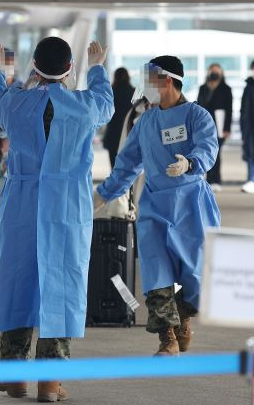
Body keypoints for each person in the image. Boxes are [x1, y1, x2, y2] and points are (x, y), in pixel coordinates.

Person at [0, 38, 113, 402]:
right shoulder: (85, 107)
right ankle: (50, 382)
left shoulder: (16, 103)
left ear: (34, 68)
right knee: (63, 283)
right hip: (68, 207)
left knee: (18, 280)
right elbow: (107, 103)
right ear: (69, 69)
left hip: (23, 204)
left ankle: (14, 374)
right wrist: (98, 66)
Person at [95, 56, 221, 357]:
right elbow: (127, 163)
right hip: (155, 207)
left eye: (149, 80)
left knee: (198, 276)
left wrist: (190, 162)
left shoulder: (197, 115)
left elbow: (208, 147)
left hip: (192, 205)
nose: (145, 87)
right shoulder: (147, 122)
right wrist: (105, 193)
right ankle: (167, 338)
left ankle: (183, 317)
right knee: (156, 273)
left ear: (166, 81)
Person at [197, 63, 233, 192]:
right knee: (206, 151)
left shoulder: (226, 89)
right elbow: (198, 106)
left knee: (216, 153)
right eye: (212, 72)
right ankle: (208, 179)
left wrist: (227, 128)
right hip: (205, 125)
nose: (214, 74)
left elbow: (229, 109)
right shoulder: (203, 88)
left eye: (216, 72)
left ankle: (216, 179)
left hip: (220, 124)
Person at [103, 67, 135, 168]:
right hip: (130, 134)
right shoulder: (134, 93)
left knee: (114, 168)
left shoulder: (110, 93)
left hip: (113, 135)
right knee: (129, 169)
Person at [240, 60, 254, 194]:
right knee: (250, 154)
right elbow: (244, 110)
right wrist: (244, 128)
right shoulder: (249, 86)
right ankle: (251, 180)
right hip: (251, 127)